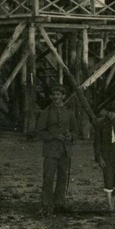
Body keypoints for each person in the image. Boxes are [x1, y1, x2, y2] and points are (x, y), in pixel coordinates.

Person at [35, 87, 78, 215]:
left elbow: (76, 130)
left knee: (62, 178)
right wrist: (53, 136)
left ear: (63, 96)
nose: (55, 97)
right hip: (51, 151)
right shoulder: (46, 112)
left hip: (65, 151)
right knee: (48, 178)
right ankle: (46, 205)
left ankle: (59, 204)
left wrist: (71, 136)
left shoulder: (69, 113)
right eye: (53, 95)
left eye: (58, 94)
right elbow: (39, 132)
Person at [92, 102, 115, 212]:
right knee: (108, 179)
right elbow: (97, 143)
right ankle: (110, 206)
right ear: (106, 112)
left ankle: (113, 203)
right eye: (110, 112)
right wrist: (99, 158)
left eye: (114, 112)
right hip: (106, 156)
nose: (112, 114)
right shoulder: (101, 124)